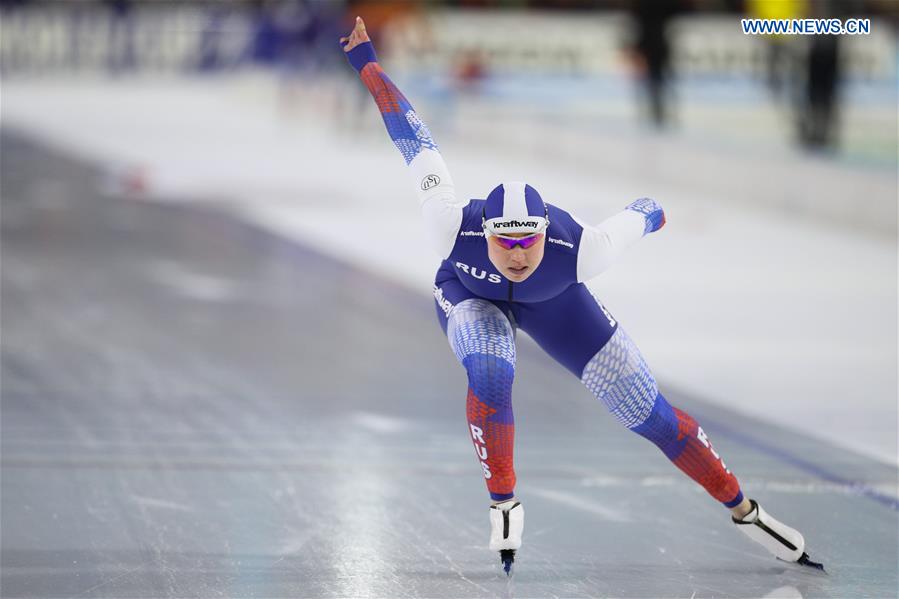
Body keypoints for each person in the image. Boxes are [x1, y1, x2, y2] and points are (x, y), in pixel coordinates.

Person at [340, 17, 823, 574]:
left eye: (528, 240)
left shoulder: (584, 249)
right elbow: (413, 137)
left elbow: (639, 216)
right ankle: (504, 503)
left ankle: (745, 510)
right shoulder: (448, 224)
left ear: (546, 232)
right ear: (485, 232)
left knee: (651, 417)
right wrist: (368, 66)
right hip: (470, 295)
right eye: (504, 241)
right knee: (491, 373)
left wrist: (654, 212)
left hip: (558, 303)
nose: (517, 253)